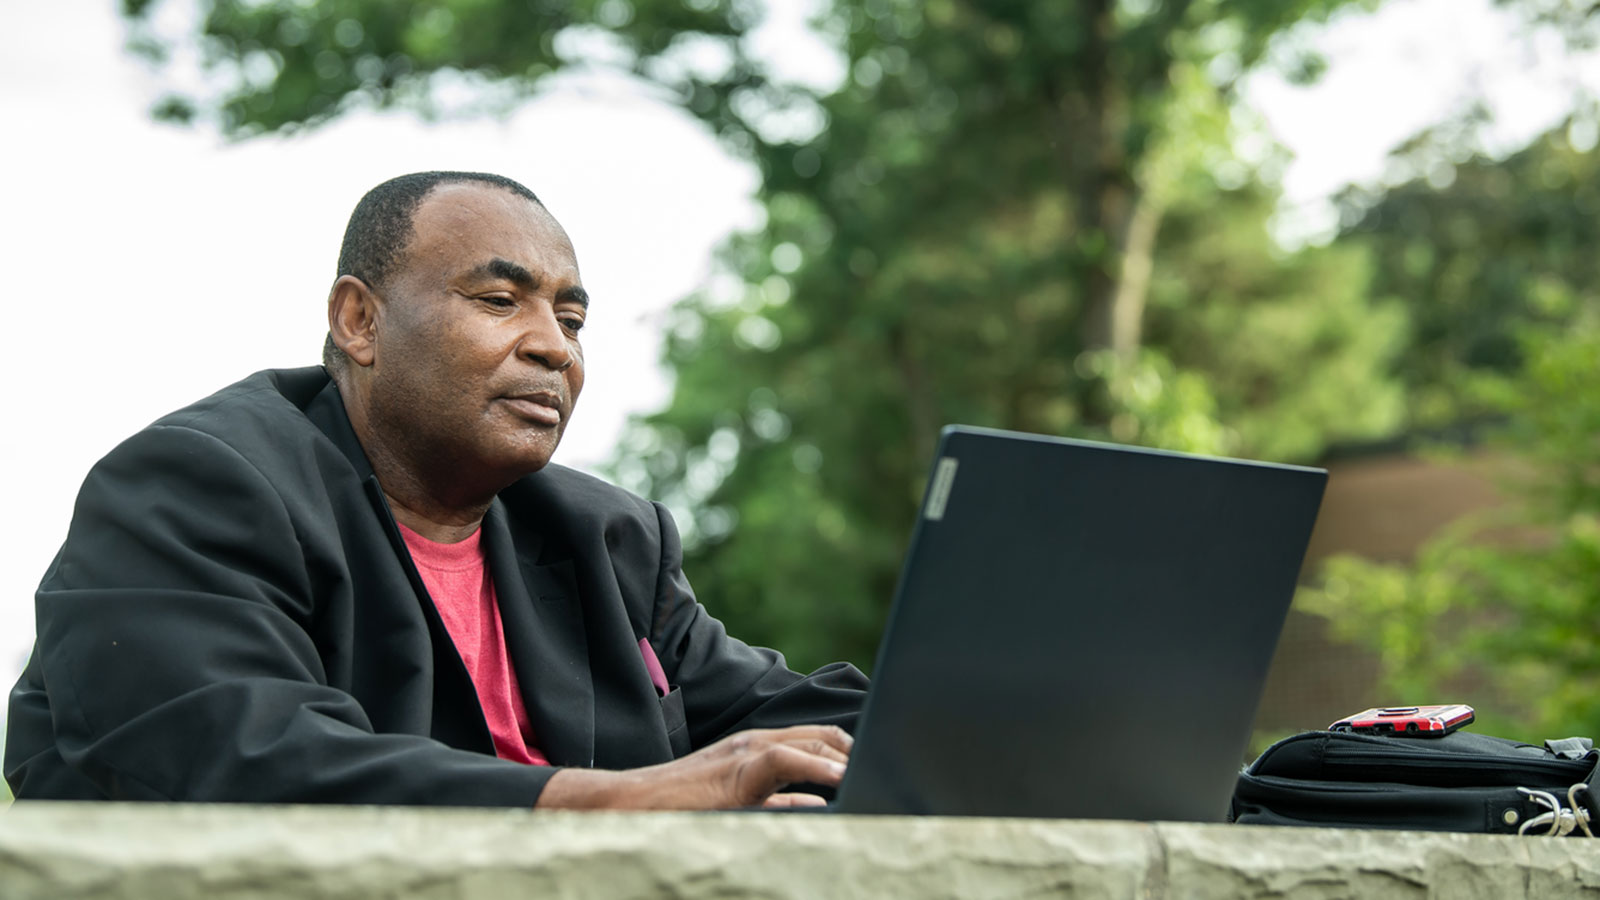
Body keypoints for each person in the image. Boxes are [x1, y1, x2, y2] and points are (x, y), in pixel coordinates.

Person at [6, 171, 867, 809]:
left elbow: (790, 717)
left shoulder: (606, 537)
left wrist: (974, 707)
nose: (554, 349)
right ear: (360, 320)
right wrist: (631, 800)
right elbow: (250, 763)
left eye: (571, 321)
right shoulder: (195, 488)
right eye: (500, 300)